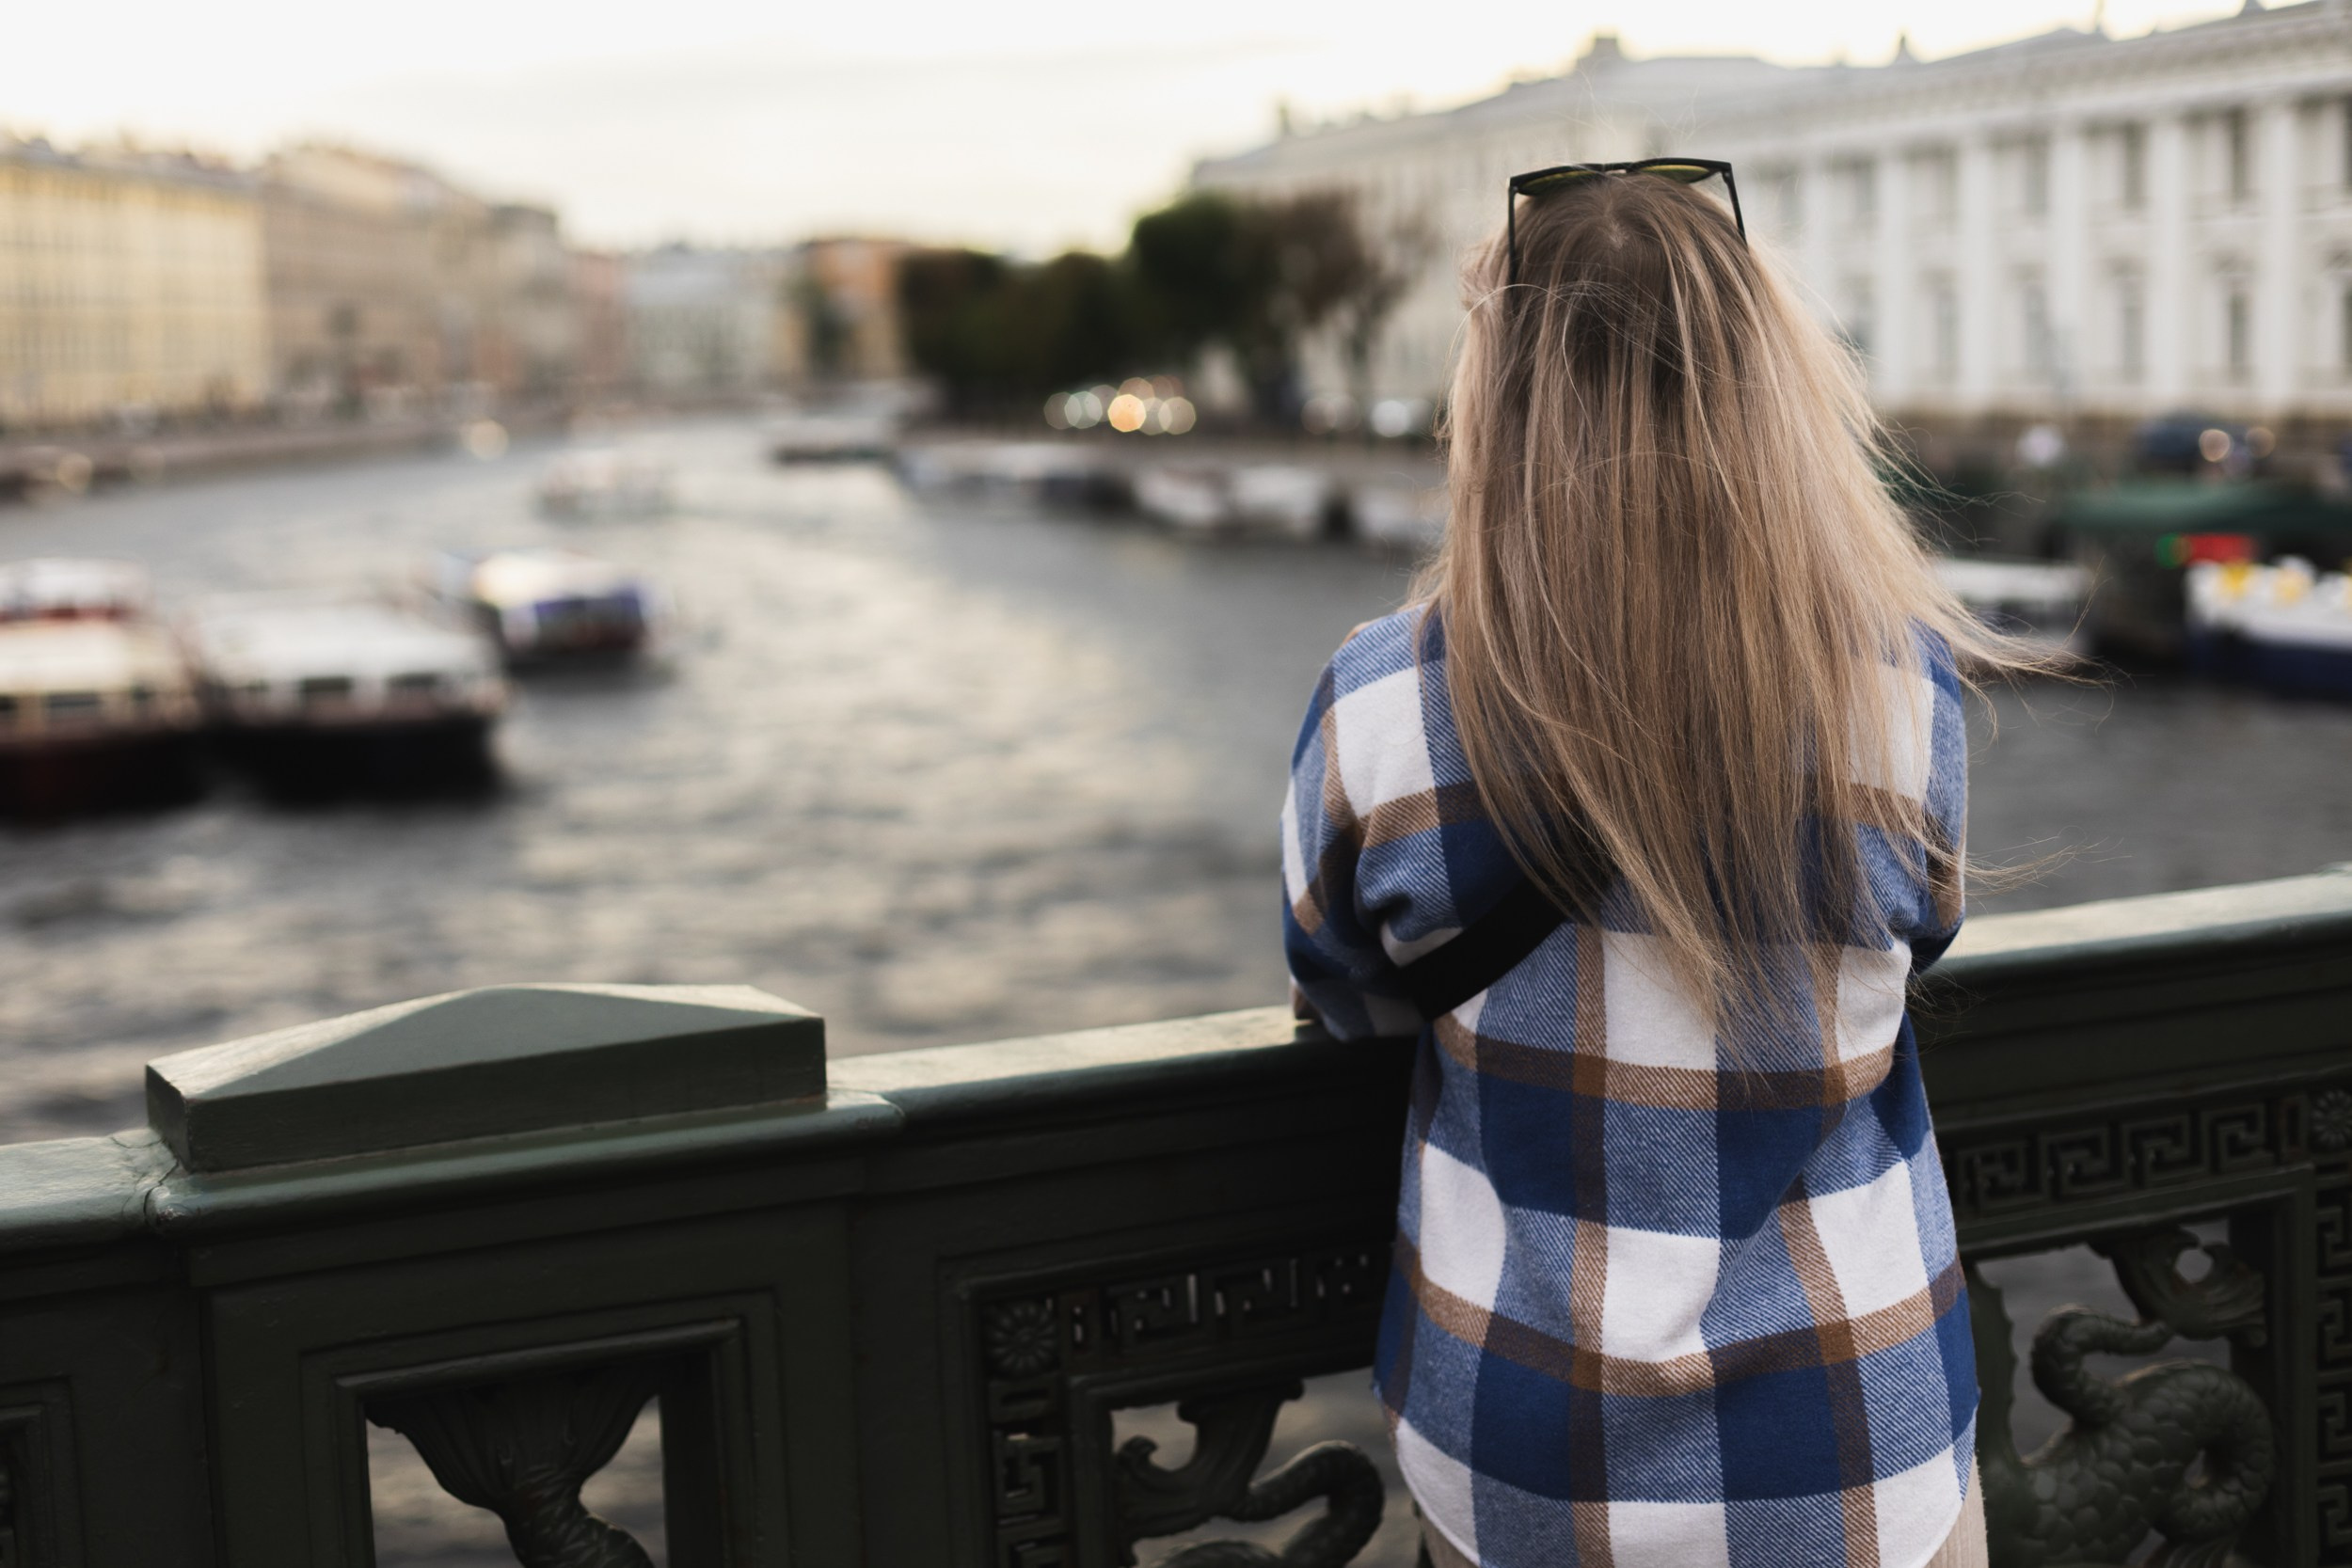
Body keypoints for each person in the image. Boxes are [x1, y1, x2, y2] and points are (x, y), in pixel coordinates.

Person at [1280, 163, 2050, 1568]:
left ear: (1495, 410)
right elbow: (1916, 936)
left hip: (1526, 1451)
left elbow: (1344, 993)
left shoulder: (1380, 703)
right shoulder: (1895, 689)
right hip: (1853, 1440)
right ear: (1768, 396)